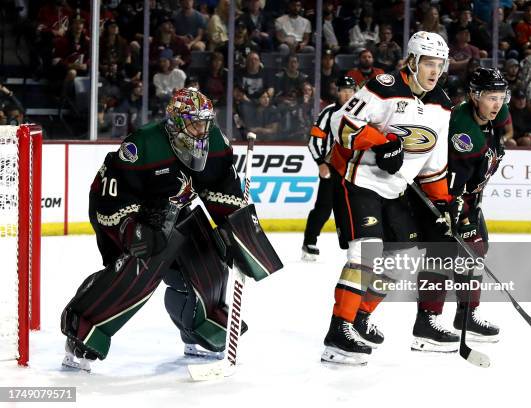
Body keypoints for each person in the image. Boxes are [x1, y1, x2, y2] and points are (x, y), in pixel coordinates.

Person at [60, 88, 255, 371]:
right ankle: (83, 331)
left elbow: (222, 187)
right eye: (195, 122)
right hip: (127, 212)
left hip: (174, 209)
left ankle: (197, 328)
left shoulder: (213, 141)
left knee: (209, 255)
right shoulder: (142, 145)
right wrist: (130, 229)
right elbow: (109, 195)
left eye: (206, 121)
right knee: (142, 263)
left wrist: (236, 231)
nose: (202, 129)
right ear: (176, 121)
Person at [322, 31, 454, 365]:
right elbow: (341, 123)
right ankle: (339, 330)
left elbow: (434, 164)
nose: (434, 70)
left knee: (404, 256)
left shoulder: (443, 105)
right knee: (366, 251)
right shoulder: (383, 86)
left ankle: (361, 316)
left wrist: (442, 204)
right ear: (412, 61)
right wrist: (380, 142)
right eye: (428, 62)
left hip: (396, 189)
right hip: (359, 180)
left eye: (439, 63)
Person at [414, 69, 512, 351]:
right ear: (473, 95)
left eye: (500, 97)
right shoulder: (464, 131)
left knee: (476, 253)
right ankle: (426, 322)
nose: (497, 103)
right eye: (491, 98)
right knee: (441, 255)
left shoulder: (496, 112)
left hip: (469, 197)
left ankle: (467, 315)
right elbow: (452, 184)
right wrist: (456, 212)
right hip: (444, 197)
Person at [301, 77, 357, 261]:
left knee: (348, 208)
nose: (347, 94)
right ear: (338, 92)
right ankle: (309, 243)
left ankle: (351, 245)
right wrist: (321, 163)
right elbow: (314, 140)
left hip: (353, 169)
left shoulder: (361, 112)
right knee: (324, 208)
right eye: (344, 90)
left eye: (351, 90)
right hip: (332, 167)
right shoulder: (329, 112)